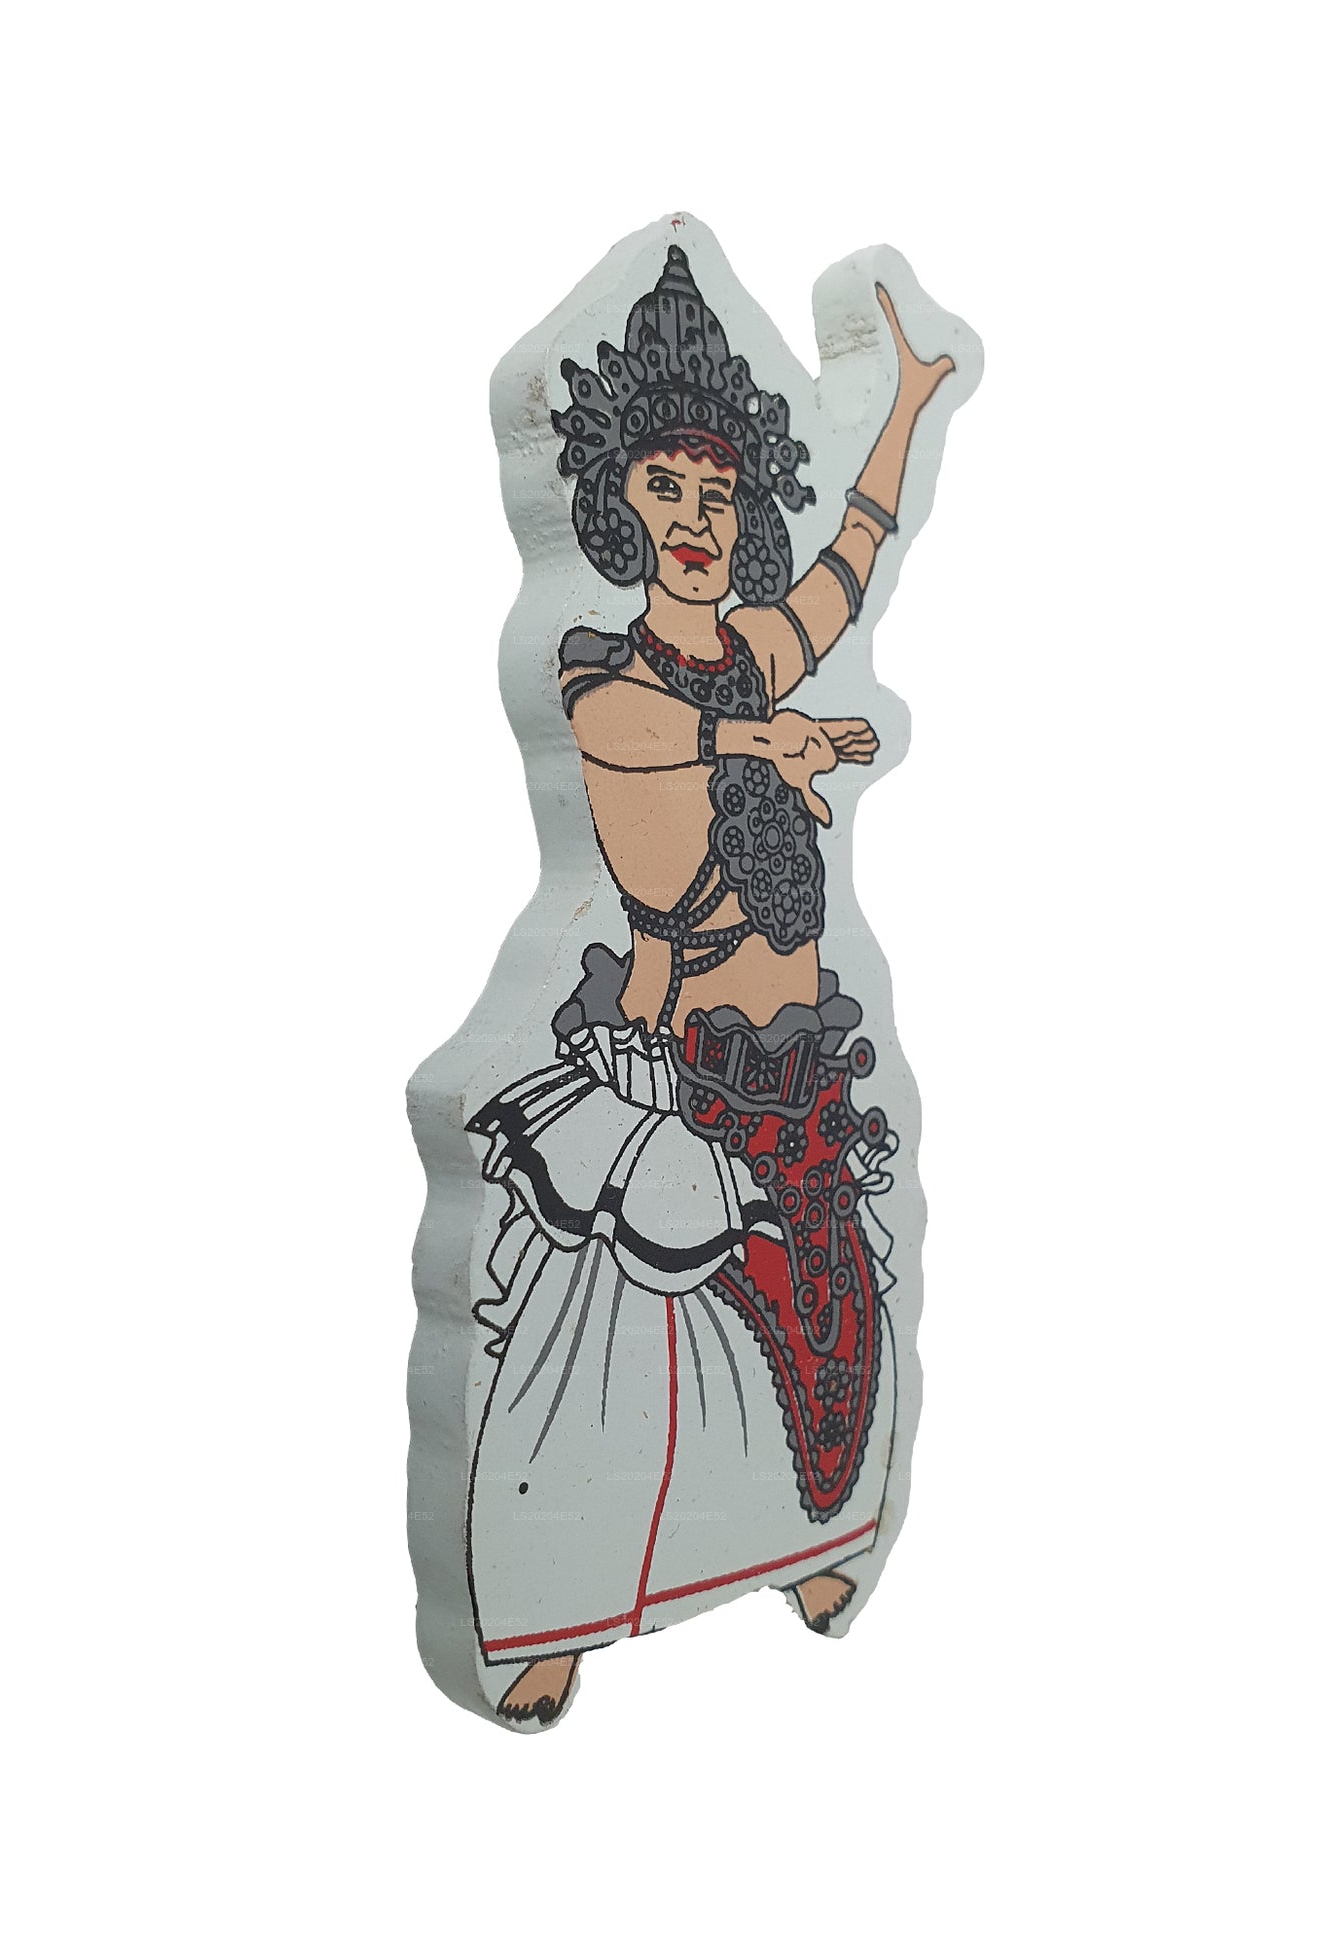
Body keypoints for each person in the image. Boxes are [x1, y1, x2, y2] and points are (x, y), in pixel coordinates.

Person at [464, 246, 954, 1725]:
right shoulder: (601, 670)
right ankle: (551, 1619)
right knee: (626, 1347)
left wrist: (903, 412)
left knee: (831, 1320)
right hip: (676, 1065)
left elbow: (849, 571)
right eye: (666, 489)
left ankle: (812, 1544)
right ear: (621, 503)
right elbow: (642, 743)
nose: (693, 519)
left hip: (803, 1059)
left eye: (718, 495)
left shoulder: (752, 648)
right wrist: (766, 742)